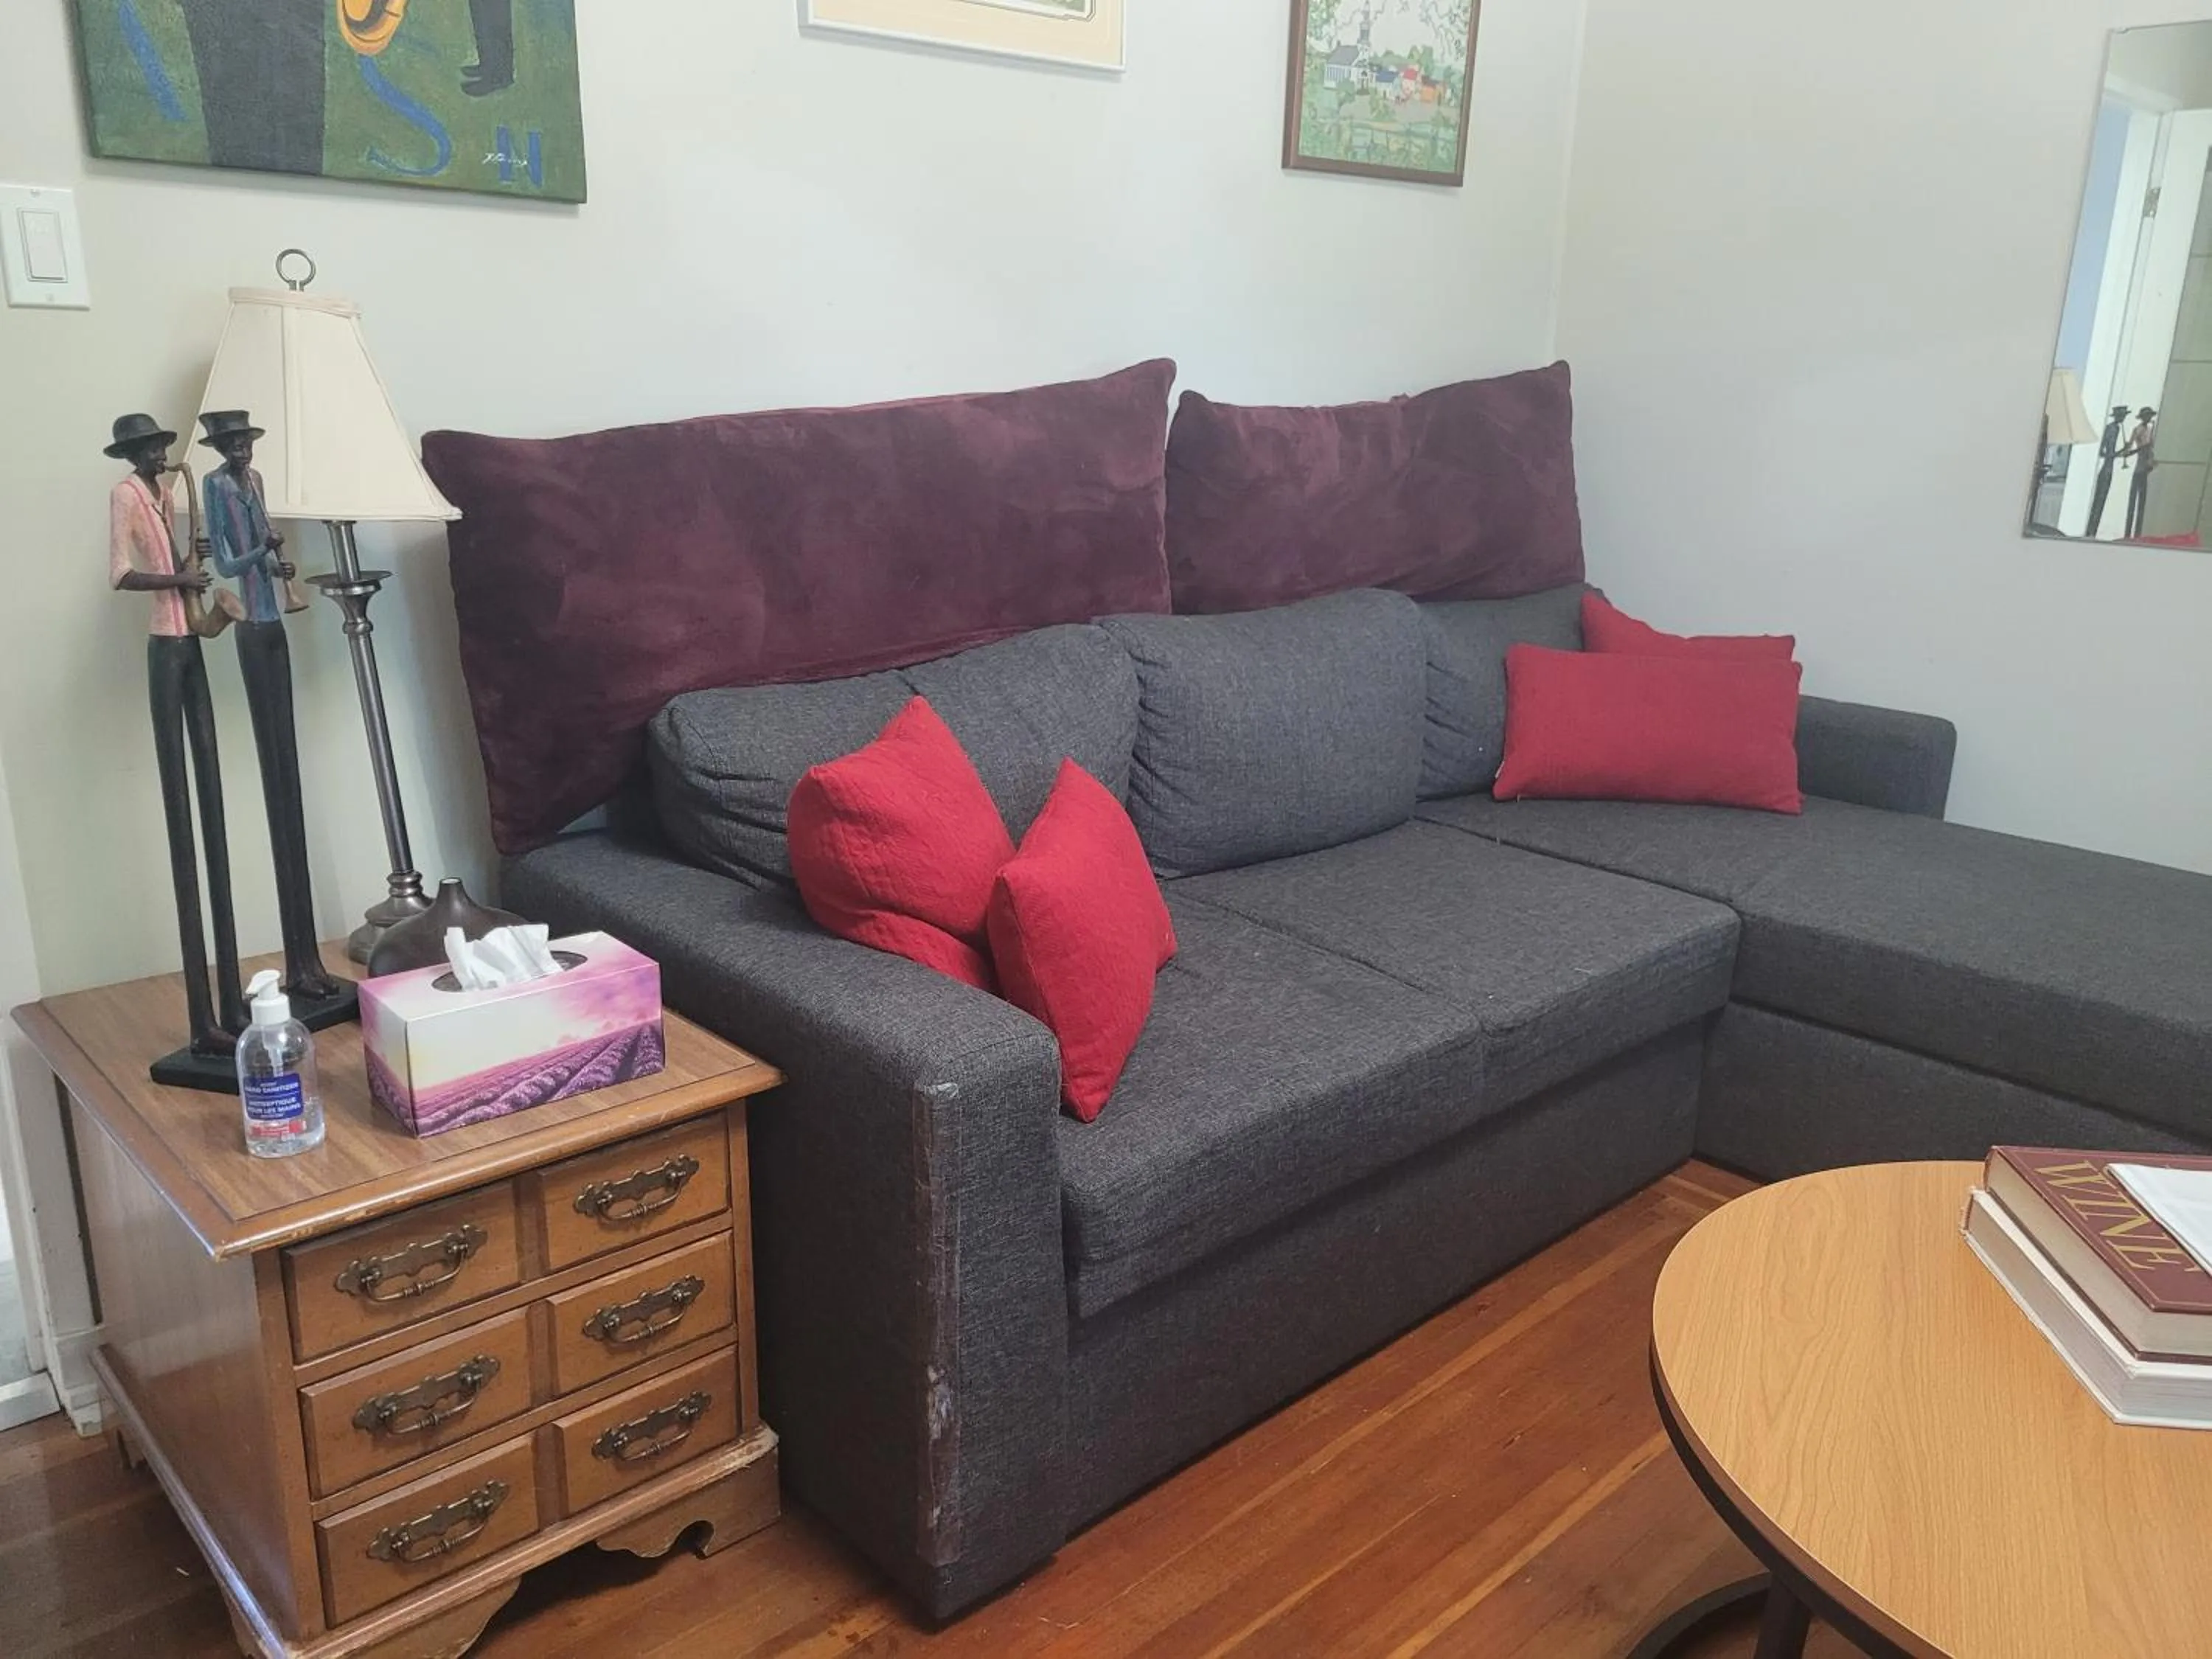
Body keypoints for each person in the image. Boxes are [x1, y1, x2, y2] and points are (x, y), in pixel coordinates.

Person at [105, 413, 247, 1058]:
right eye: (149, 450)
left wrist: (199, 566)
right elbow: (120, 574)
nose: (159, 457)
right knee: (181, 816)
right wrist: (179, 582)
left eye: (161, 447)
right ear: (132, 455)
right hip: (165, 646)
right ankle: (200, 1020)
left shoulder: (168, 494)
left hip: (192, 639)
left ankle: (231, 1005)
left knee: (215, 804)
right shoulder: (126, 497)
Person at [198, 409, 346, 1004]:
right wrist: (262, 550)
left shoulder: (255, 484)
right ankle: (297, 960)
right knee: (272, 766)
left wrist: (282, 568)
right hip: (250, 622)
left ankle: (309, 962)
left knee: (291, 765)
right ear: (221, 447)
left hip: (276, 615)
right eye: (232, 444)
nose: (241, 452)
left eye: (245, 442)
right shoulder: (213, 488)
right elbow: (225, 564)